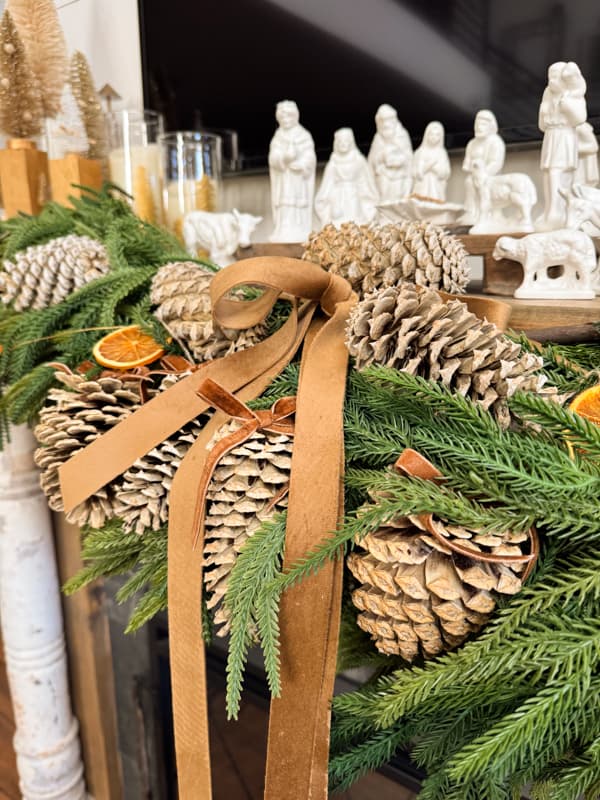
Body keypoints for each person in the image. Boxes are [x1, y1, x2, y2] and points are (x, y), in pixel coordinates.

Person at [537, 61, 587, 230]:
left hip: (564, 135)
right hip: (550, 136)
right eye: (549, 76)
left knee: (556, 172)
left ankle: (557, 212)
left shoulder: (573, 95)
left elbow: (580, 118)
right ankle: (550, 210)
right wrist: (545, 111)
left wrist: (566, 106)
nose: (552, 80)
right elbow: (541, 125)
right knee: (547, 173)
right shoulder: (548, 94)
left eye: (555, 76)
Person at [268, 100, 316, 242]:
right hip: (284, 178)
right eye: (282, 118)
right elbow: (273, 158)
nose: (286, 120)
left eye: (289, 116)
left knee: (298, 204)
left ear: (295, 116)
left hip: (298, 179)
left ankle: (300, 228)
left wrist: (302, 164)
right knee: (285, 202)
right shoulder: (278, 137)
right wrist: (284, 158)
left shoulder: (304, 136)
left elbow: (310, 156)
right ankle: (284, 228)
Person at [315, 128, 379, 226]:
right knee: (338, 225)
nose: (343, 144)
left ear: (351, 142)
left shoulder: (359, 160)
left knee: (355, 225)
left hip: (354, 197)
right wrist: (329, 204)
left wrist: (369, 204)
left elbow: (366, 183)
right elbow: (327, 186)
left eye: (346, 141)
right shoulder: (333, 163)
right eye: (340, 141)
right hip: (337, 199)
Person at [460, 109, 505, 225]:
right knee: (469, 181)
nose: (479, 127)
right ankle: (472, 212)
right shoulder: (472, 143)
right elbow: (467, 162)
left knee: (478, 183)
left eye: (483, 124)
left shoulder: (496, 142)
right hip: (474, 175)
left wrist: (483, 174)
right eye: (477, 124)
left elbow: (496, 162)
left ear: (490, 126)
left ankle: (488, 213)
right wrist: (472, 169)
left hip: (490, 176)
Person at [367, 104, 413, 202]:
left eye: (388, 120)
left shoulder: (402, 136)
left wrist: (398, 160)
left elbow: (409, 158)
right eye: (382, 121)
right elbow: (372, 162)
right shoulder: (378, 139)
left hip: (399, 176)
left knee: (398, 202)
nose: (385, 124)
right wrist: (382, 156)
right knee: (384, 200)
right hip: (383, 176)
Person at [412, 121, 451, 201]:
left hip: (437, 190)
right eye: (431, 134)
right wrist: (428, 166)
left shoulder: (442, 153)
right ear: (427, 135)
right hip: (421, 189)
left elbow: (446, 172)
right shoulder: (419, 152)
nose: (434, 137)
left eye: (437, 135)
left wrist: (435, 169)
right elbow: (414, 172)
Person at [576, 121, 599, 187]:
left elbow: (594, 146)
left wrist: (573, 149)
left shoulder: (581, 127)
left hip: (583, 171)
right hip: (576, 168)